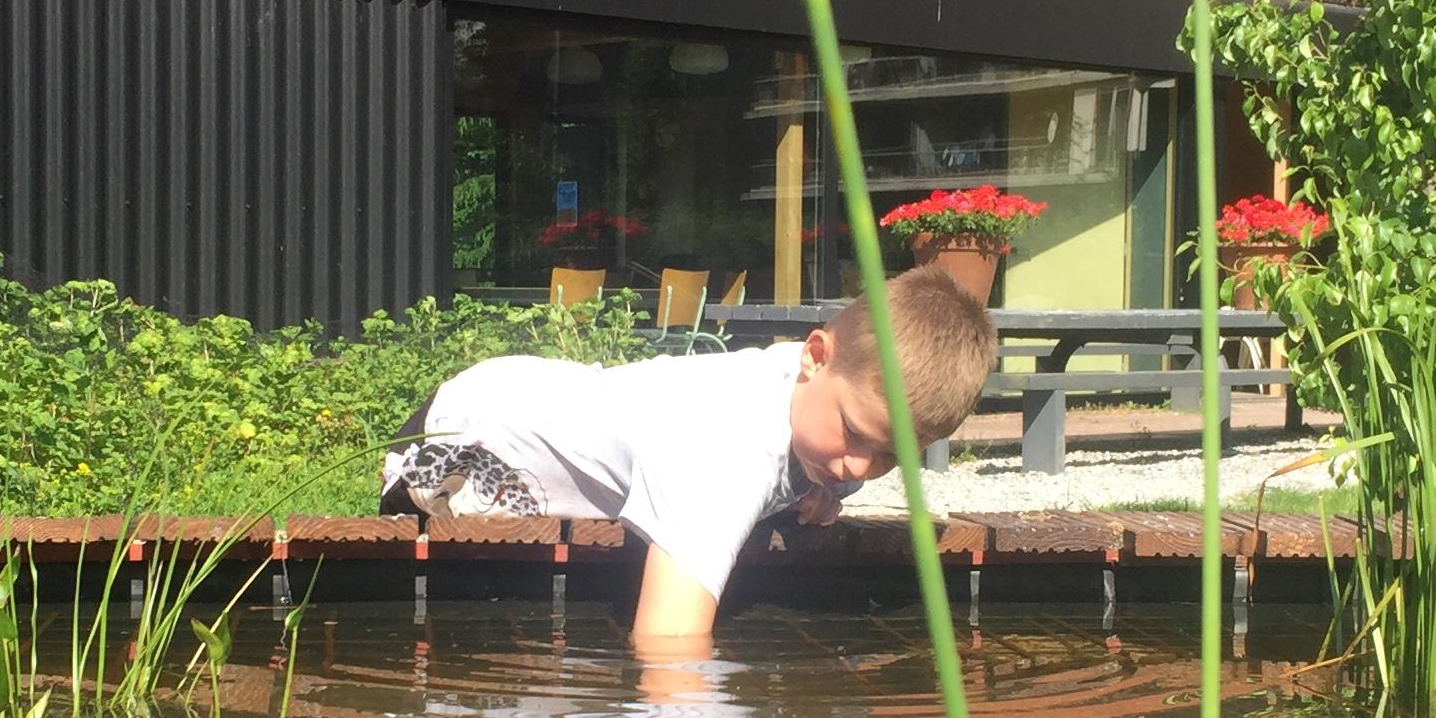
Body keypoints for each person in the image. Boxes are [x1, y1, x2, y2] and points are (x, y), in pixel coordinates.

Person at [383, 268, 999, 649]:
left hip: (539, 397)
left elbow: (841, 453)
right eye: (856, 436)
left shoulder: (821, 401)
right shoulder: (721, 449)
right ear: (814, 355)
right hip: (460, 438)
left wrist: (822, 490)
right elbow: (667, 647)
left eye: (891, 457)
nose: (860, 469)